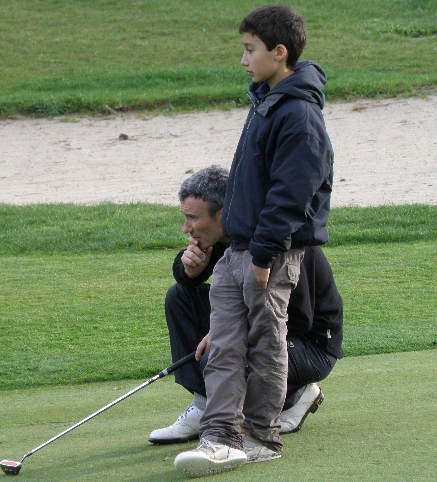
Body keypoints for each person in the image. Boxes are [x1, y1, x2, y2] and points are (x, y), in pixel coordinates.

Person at [174, 5, 336, 477]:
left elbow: (291, 195)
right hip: (238, 251)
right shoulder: (264, 102)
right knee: (225, 346)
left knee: (265, 346)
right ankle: (221, 436)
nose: (244, 60)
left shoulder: (300, 115)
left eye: (250, 50)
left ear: (279, 53)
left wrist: (263, 253)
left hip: (270, 254)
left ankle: (261, 437)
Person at [150, 166, 342, 448]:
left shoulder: (274, 240)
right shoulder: (223, 237)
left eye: (193, 218)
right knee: (180, 296)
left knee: (226, 348)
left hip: (308, 346)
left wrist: (229, 330)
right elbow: (186, 278)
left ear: (224, 212)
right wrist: (190, 271)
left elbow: (295, 318)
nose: (186, 228)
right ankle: (204, 404)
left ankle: (295, 397)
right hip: (265, 327)